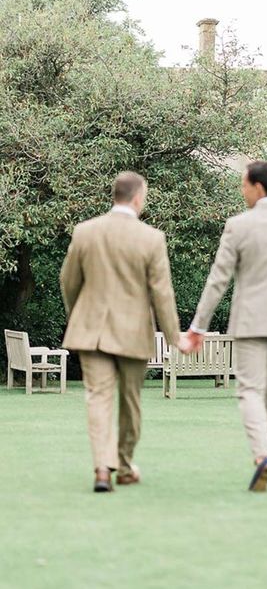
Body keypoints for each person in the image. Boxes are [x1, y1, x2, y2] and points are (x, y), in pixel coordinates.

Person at [185, 160, 267, 492]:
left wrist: (198, 326)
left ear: (258, 187)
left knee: (249, 391)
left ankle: (263, 457)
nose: (241, 190)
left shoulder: (238, 226)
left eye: (243, 184)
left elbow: (218, 280)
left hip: (250, 322)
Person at [60, 171, 189, 493]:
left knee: (98, 399)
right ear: (137, 197)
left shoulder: (85, 231)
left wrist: (79, 315)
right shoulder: (151, 238)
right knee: (130, 402)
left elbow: (68, 282)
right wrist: (175, 337)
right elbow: (163, 293)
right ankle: (125, 465)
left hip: (92, 332)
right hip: (133, 334)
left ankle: (102, 468)